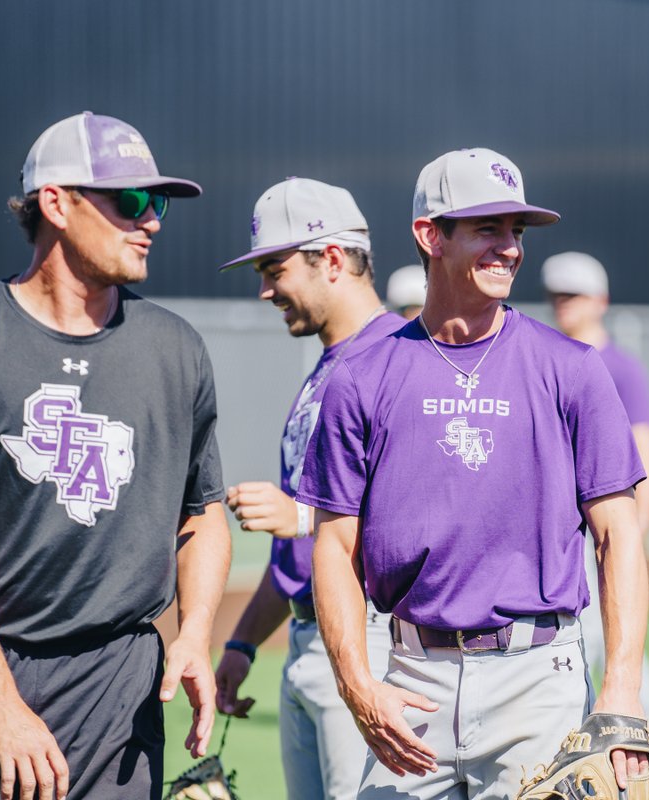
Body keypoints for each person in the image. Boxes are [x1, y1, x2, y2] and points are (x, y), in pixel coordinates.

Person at [0, 111, 230, 800]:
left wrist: (194, 634)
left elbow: (203, 514)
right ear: (56, 204)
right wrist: (0, 703)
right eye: (130, 201)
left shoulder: (176, 350)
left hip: (112, 688)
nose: (151, 219)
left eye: (157, 203)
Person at [298, 148, 649, 798]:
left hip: (537, 681)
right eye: (488, 228)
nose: (510, 248)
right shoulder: (361, 378)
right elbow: (334, 544)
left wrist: (621, 688)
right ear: (430, 235)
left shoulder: (572, 369)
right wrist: (357, 686)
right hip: (410, 681)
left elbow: (618, 533)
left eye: (516, 231)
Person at [214, 178, 406, 799]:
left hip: (373, 644)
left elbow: (423, 518)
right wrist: (244, 642)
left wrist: (300, 515)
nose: (265, 289)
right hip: (305, 643)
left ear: (330, 259)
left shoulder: (401, 360)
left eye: (275, 268)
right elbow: (300, 553)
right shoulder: (326, 368)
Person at [542, 250, 649, 762]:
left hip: (603, 524)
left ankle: (639, 729)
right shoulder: (549, 358)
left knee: (597, 632)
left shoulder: (620, 366)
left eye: (573, 295)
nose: (564, 304)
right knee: (596, 635)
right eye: (557, 295)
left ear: (600, 301)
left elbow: (645, 442)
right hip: (559, 531)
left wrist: (638, 524)